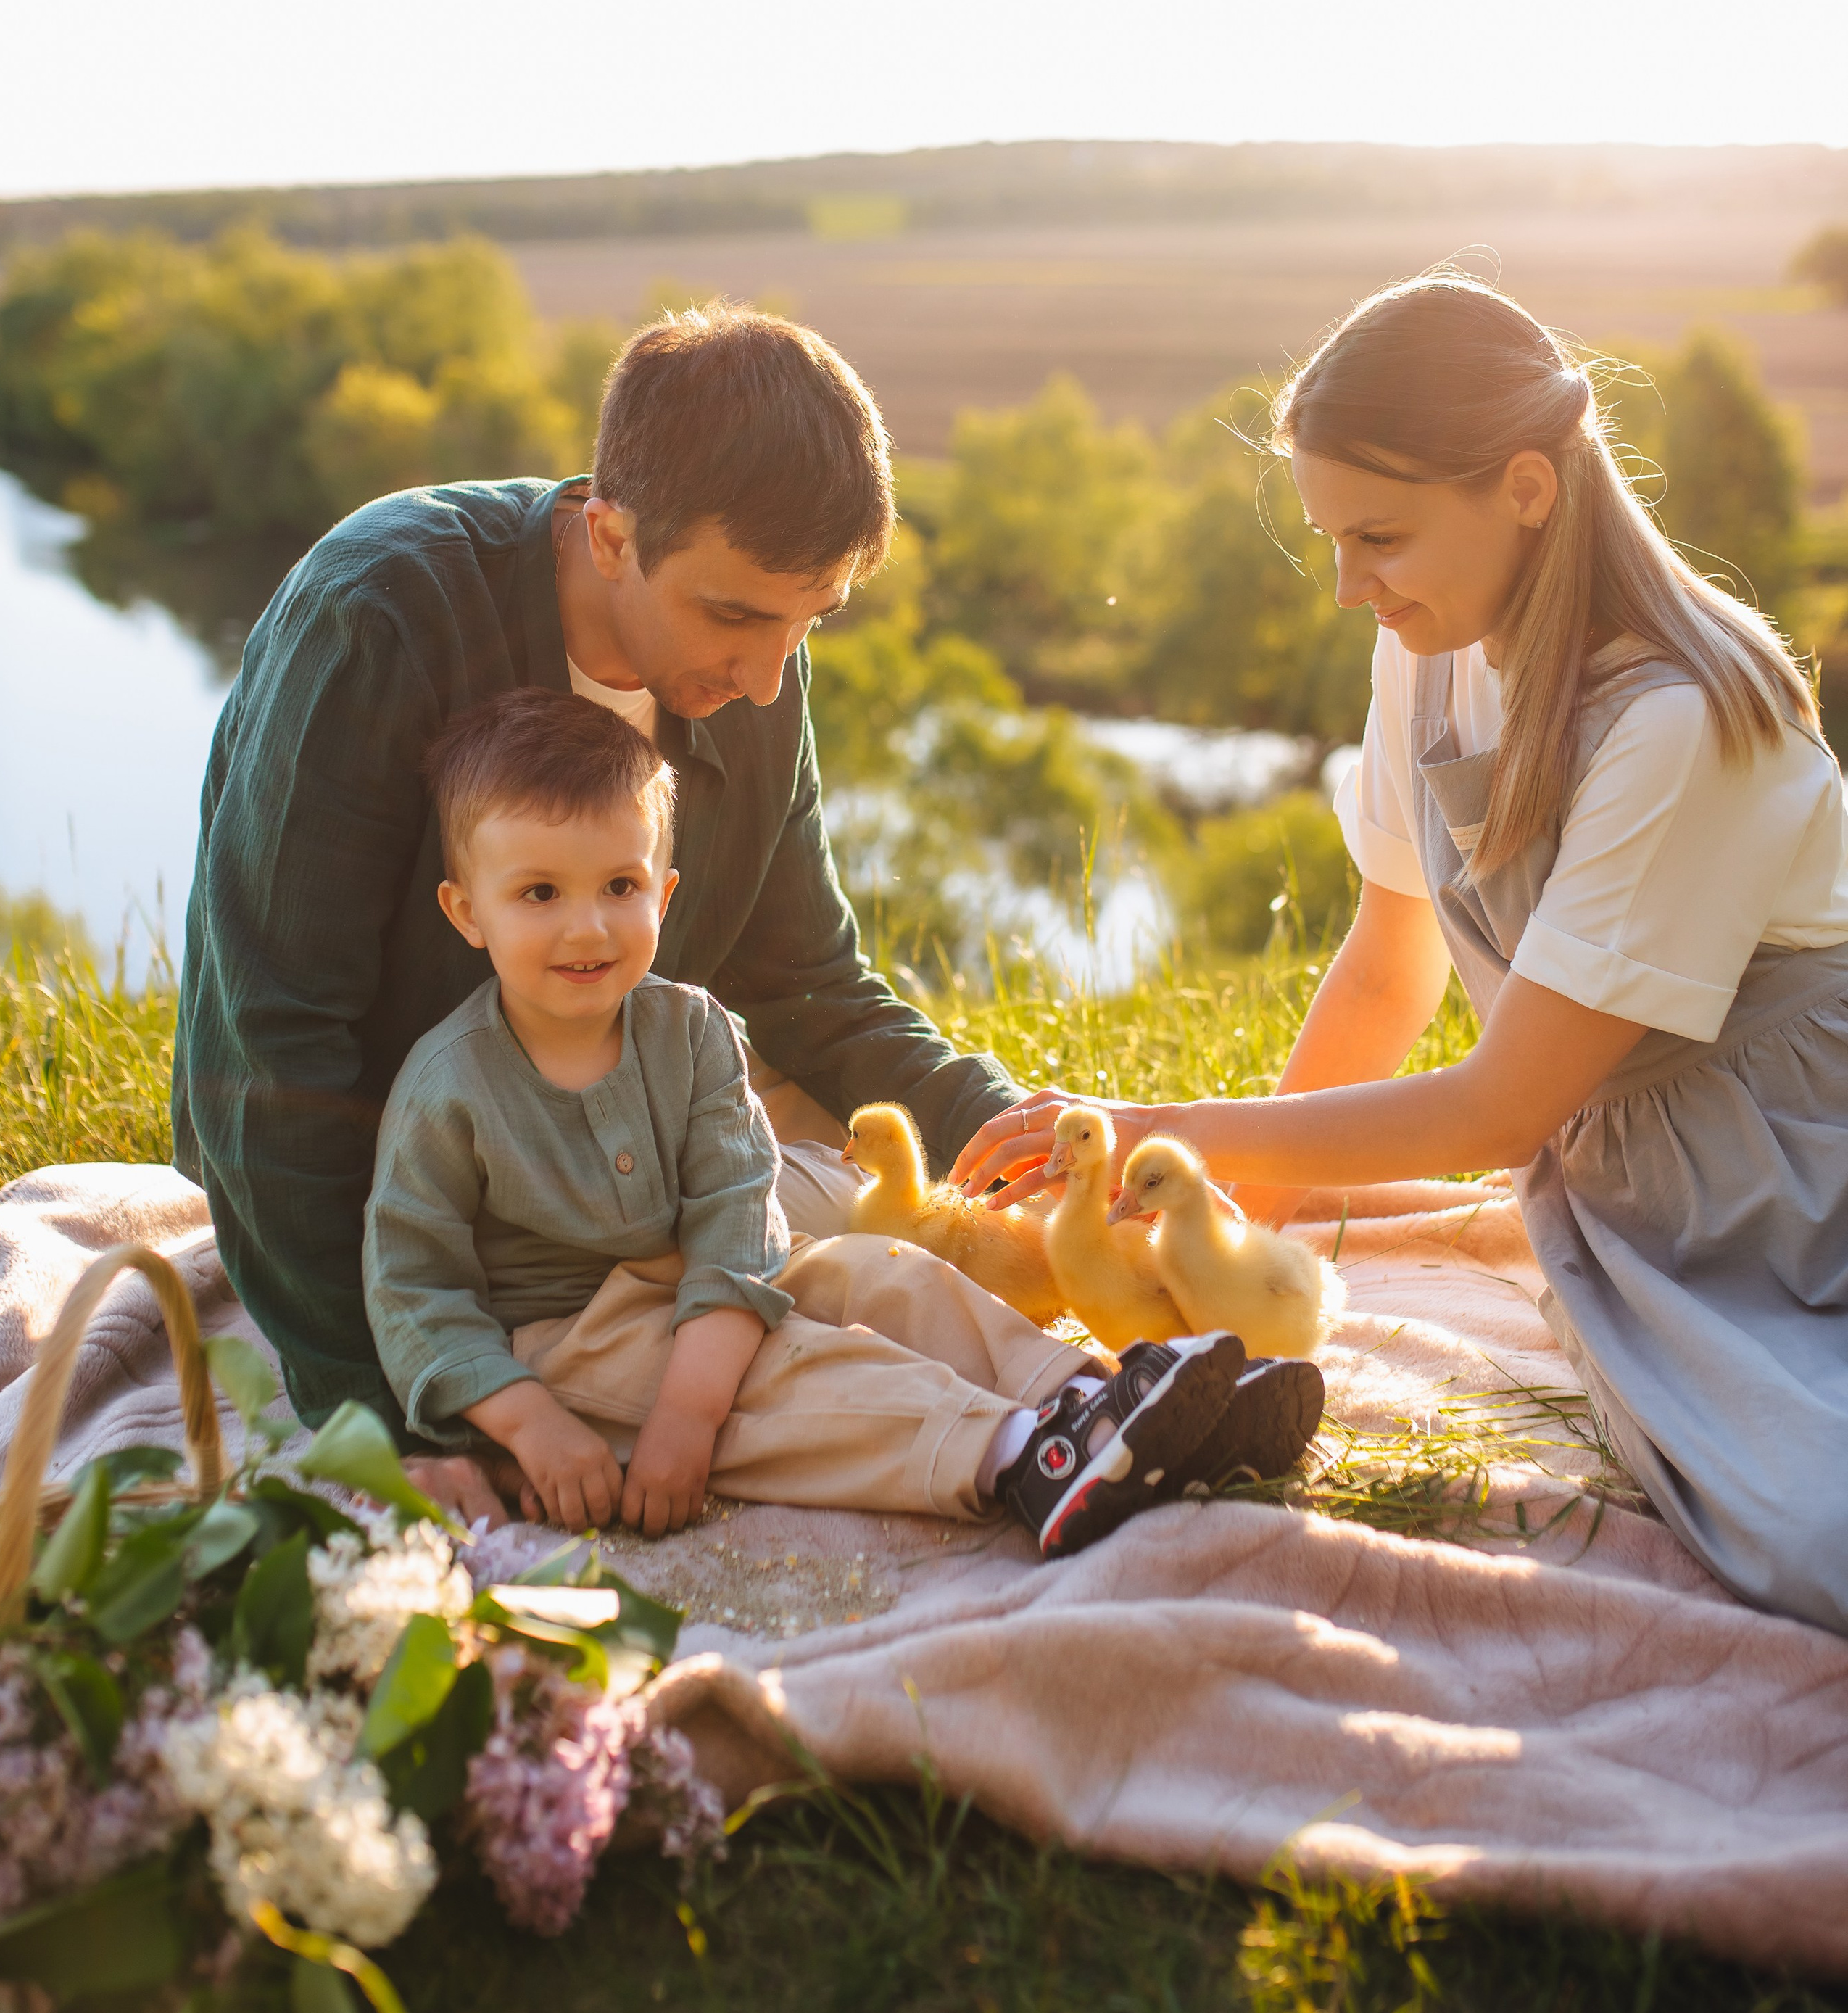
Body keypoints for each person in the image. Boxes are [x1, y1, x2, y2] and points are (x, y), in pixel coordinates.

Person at [953, 273, 1848, 1633]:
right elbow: (1387, 967)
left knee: (1810, 1537)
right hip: (1635, 1194)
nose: (1346, 584)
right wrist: (1235, 1221)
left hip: (1793, 1184)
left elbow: (1498, 1107)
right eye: (1330, 538)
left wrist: (1160, 1125)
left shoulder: (1682, 719)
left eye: (1379, 537)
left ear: (1529, 489)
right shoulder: (1433, 652)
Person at [172, 304, 1022, 1511]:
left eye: (809, 621)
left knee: (860, 1280)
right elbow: (266, 1042)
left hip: (610, 1174)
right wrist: (381, 1409)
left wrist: (1011, 1132)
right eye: (735, 616)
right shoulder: (376, 617)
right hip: (397, 1211)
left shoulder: (757, 669)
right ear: (610, 534)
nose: (771, 676)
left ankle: (1058, 1422)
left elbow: (812, 986)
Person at [362, 687, 1320, 1553]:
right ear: (466, 911)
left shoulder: (691, 1030)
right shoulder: (449, 1087)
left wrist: (716, 1329)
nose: (589, 927)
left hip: (719, 1276)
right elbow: (415, 1290)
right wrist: (536, 1422)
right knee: (798, 1384)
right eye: (539, 894)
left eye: (620, 886)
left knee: (881, 1272)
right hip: (572, 1342)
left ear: (664, 892)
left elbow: (741, 1203)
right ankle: (1029, 1456)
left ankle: (1098, 1394)